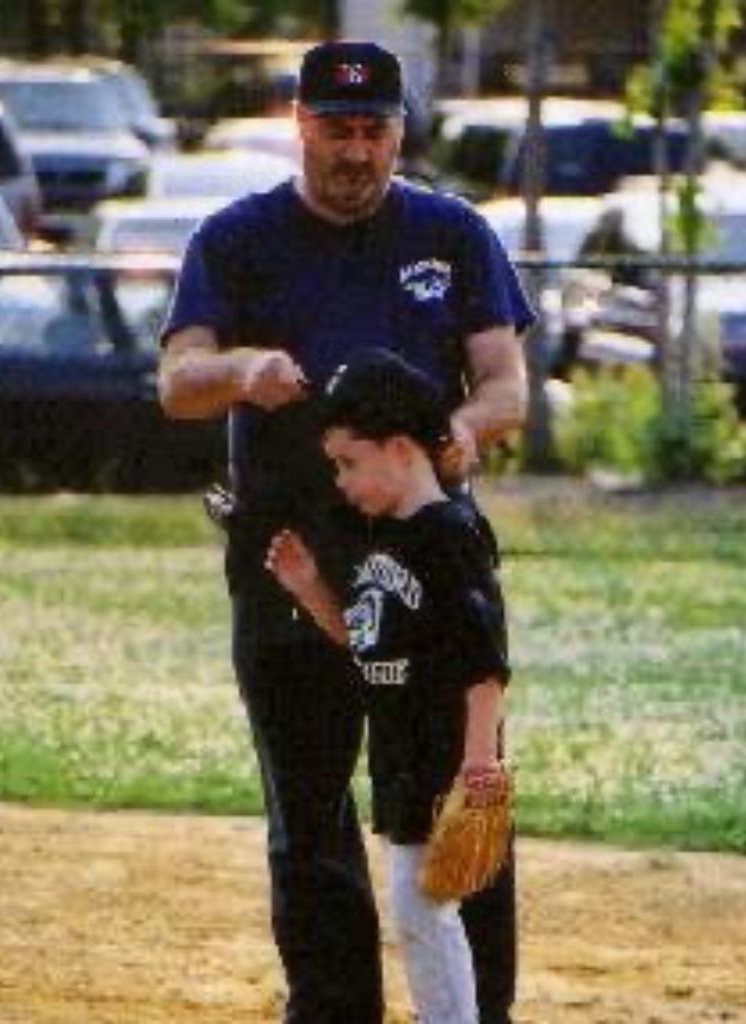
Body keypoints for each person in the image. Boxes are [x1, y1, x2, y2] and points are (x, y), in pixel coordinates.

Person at [158, 39, 534, 1024]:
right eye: (337, 128)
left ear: (399, 132)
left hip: (425, 559)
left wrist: (462, 431)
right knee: (310, 807)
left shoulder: (452, 232)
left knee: (460, 798)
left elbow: (506, 383)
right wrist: (241, 371)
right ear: (300, 124)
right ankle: (333, 1010)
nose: (357, 151)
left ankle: (476, 1012)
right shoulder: (236, 239)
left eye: (375, 130)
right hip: (291, 558)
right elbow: (178, 380)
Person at [265, 349, 511, 1024]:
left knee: (421, 909)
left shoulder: (449, 536)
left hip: (440, 758)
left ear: (400, 449)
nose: (340, 481)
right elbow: (362, 635)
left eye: (349, 462)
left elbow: (484, 661)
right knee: (419, 909)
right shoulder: (384, 540)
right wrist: (309, 588)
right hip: (398, 756)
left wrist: (479, 761)